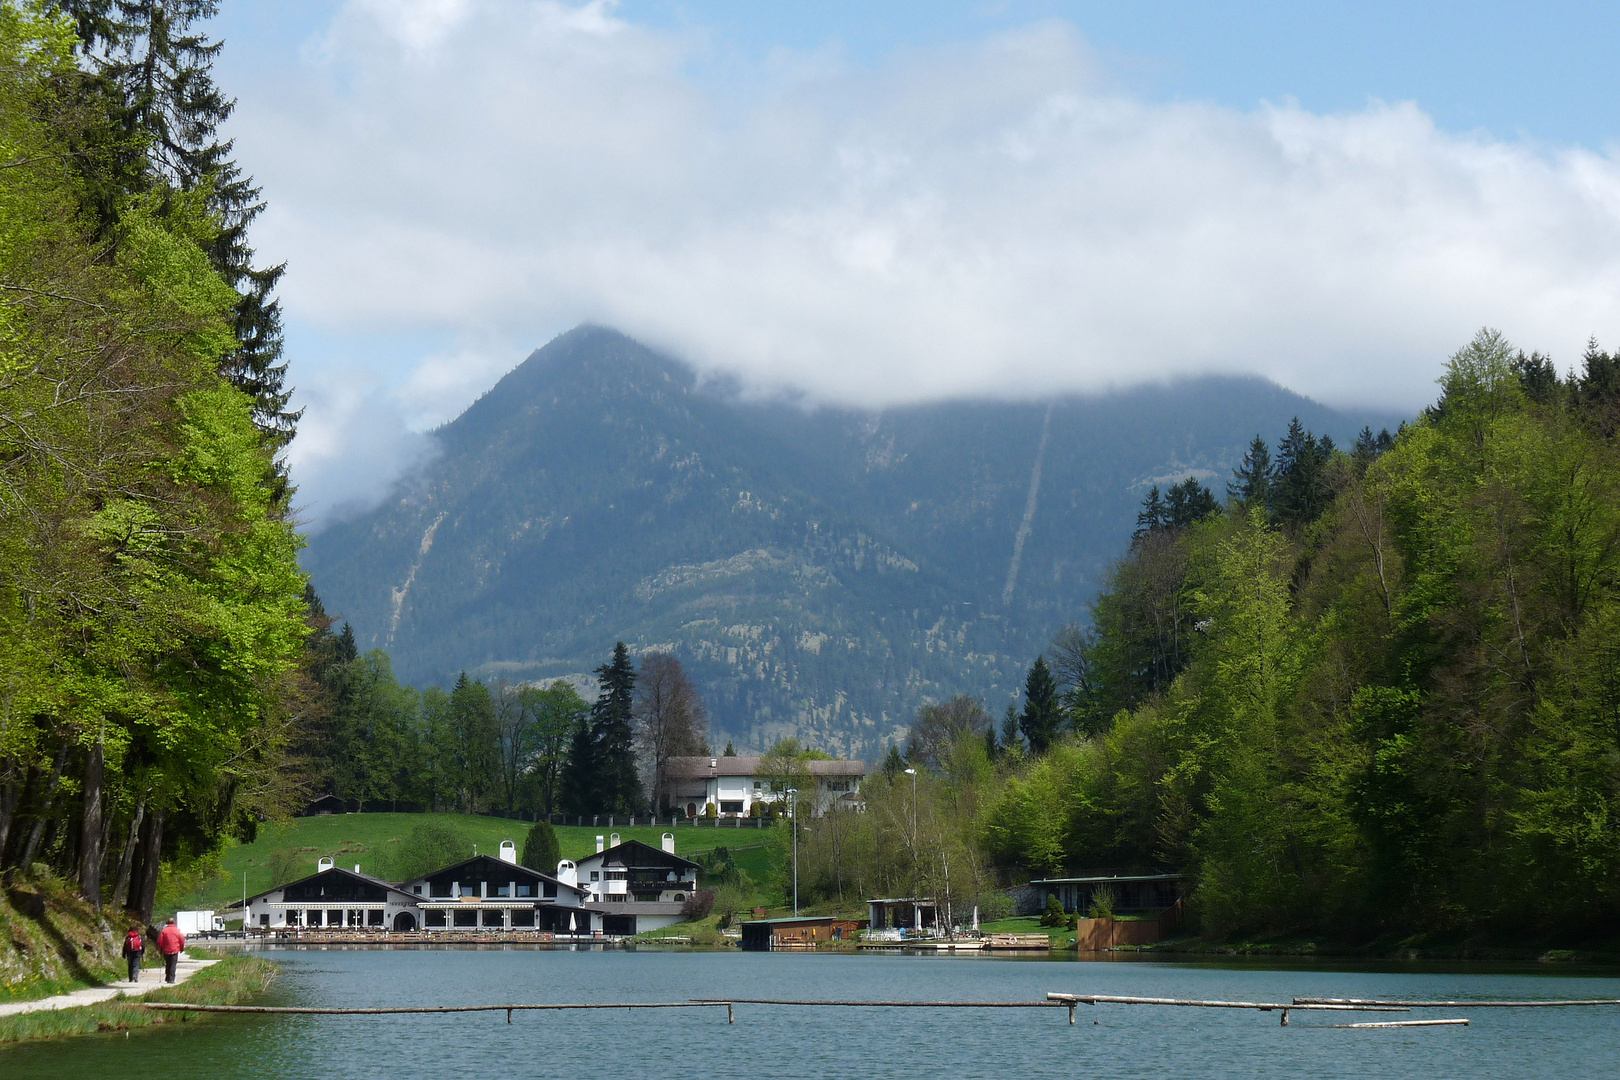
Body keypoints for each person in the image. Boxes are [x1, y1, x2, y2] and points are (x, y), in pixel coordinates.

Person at [156, 915, 186, 984]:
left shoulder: (164, 931)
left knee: (168, 964)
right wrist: (181, 948)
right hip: (175, 950)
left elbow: (160, 941)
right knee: (173, 965)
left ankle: (167, 977)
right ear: (174, 923)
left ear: (167, 923)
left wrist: (160, 948)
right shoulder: (177, 930)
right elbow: (182, 940)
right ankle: (171, 979)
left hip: (166, 950)